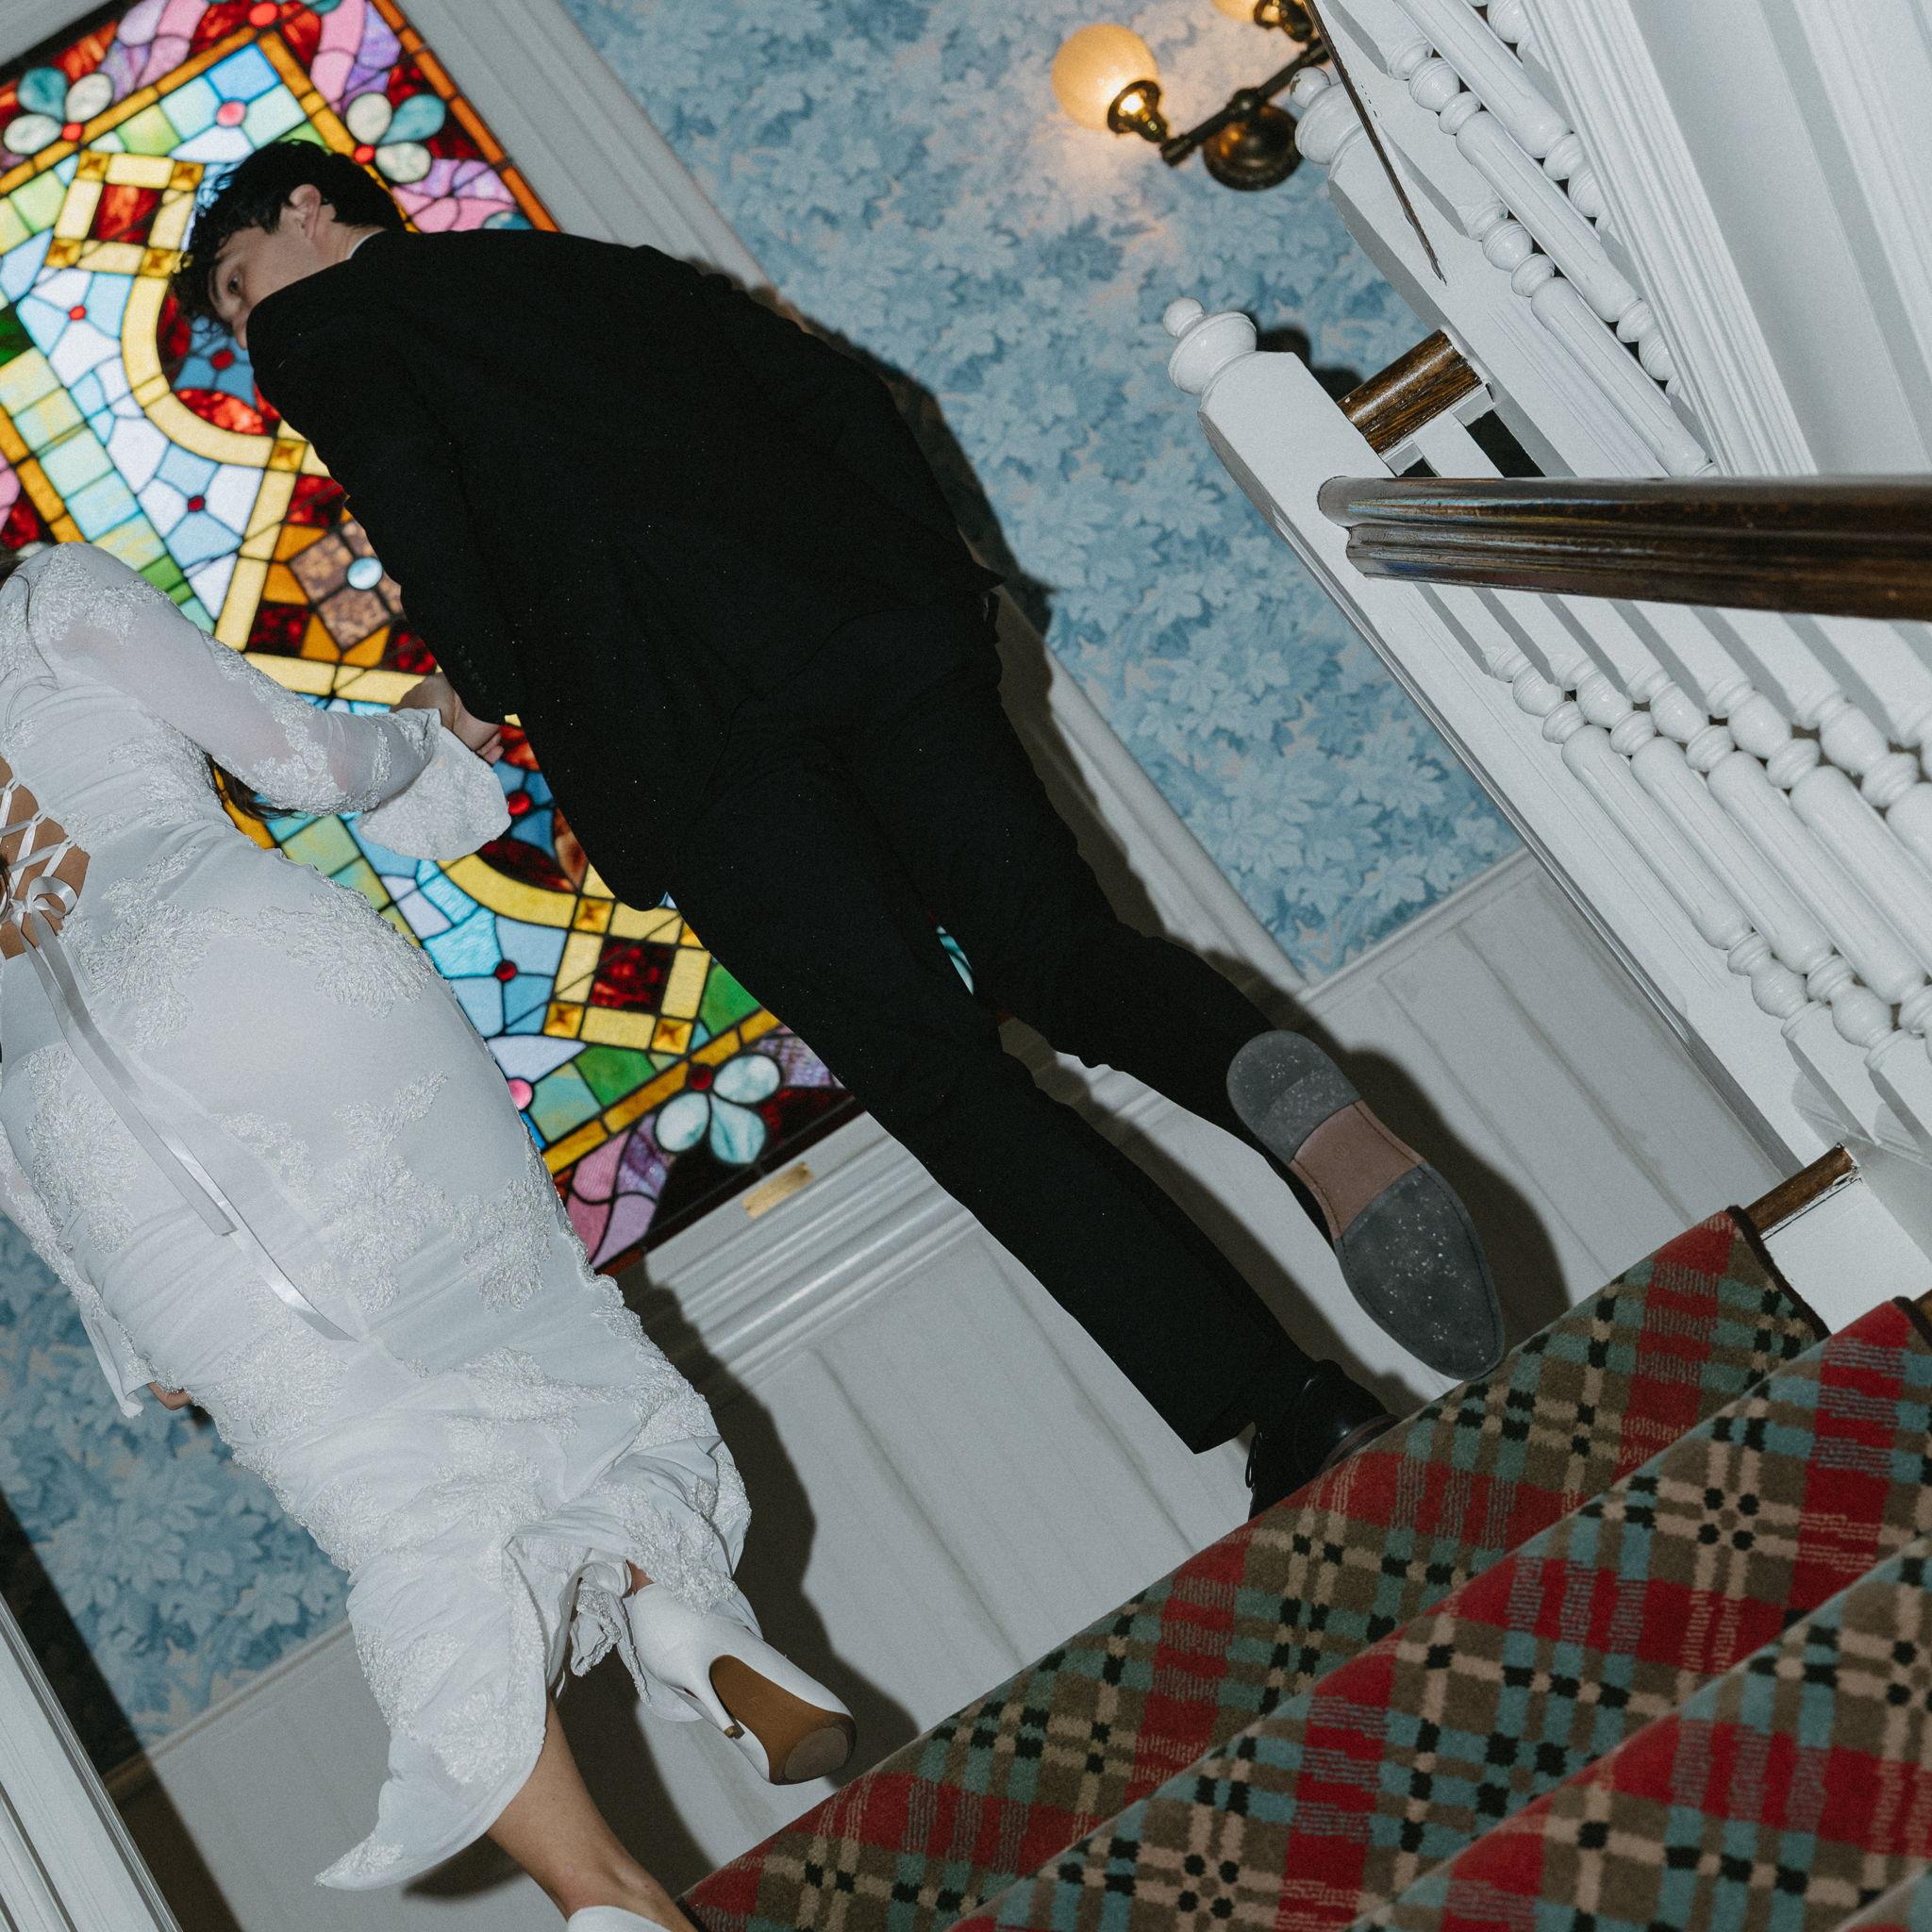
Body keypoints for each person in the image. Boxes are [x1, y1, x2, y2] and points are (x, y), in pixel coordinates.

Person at [177, 142, 1506, 1519]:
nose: (248, 330)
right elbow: (833, 397)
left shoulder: (321, 328)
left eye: (237, 281)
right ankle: (1280, 1092)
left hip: (694, 746)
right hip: (876, 636)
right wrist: (929, 593)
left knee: (941, 1077)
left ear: (311, 211)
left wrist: (472, 679)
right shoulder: (590, 271)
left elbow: (428, 514)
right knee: (1060, 951)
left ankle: (1289, 1410)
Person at [0, 538, 852, 1932]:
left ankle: (599, 1899)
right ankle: (675, 1603)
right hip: (261, 986)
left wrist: (114, 1318)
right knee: (546, 1336)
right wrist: (423, 736)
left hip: (77, 1136)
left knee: (385, 1504)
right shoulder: (46, 601)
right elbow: (303, 762)